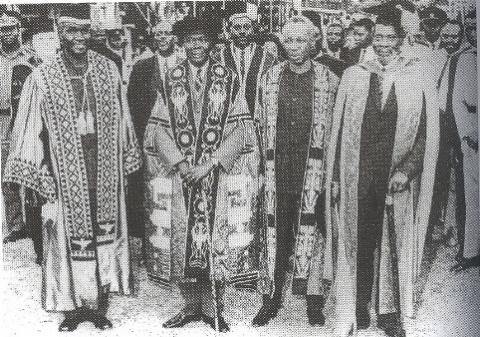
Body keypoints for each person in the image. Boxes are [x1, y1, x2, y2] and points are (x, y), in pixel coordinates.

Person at [3, 5, 142, 331]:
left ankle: (96, 305)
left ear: (91, 32)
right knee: (64, 243)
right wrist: (37, 177)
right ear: (59, 32)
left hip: (104, 173)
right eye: (71, 31)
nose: (79, 37)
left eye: (84, 30)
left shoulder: (108, 69)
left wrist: (126, 159)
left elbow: (123, 120)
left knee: (101, 237)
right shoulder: (42, 77)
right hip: (63, 177)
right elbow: (29, 129)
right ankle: (72, 308)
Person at [325, 9, 439, 337]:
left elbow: (425, 134)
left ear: (402, 41)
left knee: (393, 245)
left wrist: (408, 169)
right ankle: (355, 310)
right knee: (357, 241)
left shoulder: (417, 76)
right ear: (372, 40)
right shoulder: (355, 74)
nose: (385, 44)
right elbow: (338, 132)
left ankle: (390, 314)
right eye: (380, 38)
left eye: (392, 38)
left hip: (396, 178)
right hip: (358, 176)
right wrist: (335, 178)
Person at [143, 17, 258, 332]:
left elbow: (240, 131)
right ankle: (190, 306)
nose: (196, 46)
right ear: (182, 43)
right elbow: (159, 129)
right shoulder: (171, 78)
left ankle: (211, 309)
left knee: (212, 240)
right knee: (182, 240)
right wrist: (180, 164)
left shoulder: (228, 78)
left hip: (214, 175)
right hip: (181, 176)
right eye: (190, 40)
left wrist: (211, 164)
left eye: (202, 40)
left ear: (211, 43)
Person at [252, 15, 339, 327]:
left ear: (313, 42)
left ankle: (314, 302)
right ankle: (270, 299)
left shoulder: (329, 79)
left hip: (313, 171)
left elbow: (339, 132)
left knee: (314, 236)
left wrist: (335, 176)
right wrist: (261, 169)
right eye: (289, 40)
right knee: (273, 236)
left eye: (301, 40)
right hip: (279, 170)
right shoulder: (271, 77)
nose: (295, 47)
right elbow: (260, 124)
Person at [126, 20, 183, 249]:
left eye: (167, 34)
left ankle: (178, 236)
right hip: (150, 138)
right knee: (153, 187)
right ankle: (153, 241)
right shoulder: (142, 67)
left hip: (181, 138)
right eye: (158, 34)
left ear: (174, 37)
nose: (162, 38)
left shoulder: (185, 63)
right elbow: (133, 106)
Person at [0, 10, 43, 263]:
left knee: (29, 171)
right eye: (2, 30)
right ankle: (16, 225)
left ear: (18, 31)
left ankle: (34, 222)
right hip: (2, 123)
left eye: (10, 30)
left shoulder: (31, 59)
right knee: (6, 175)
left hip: (26, 121)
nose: (6, 34)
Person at [431, 19, 465, 246]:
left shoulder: (465, 59)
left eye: (454, 36)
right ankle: (436, 223)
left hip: (456, 123)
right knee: (437, 174)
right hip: (438, 122)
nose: (450, 40)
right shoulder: (435, 57)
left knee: (456, 177)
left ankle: (454, 227)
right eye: (446, 35)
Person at [450, 10, 479, 273]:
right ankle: (471, 250)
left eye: (477, 27)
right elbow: (458, 102)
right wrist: (467, 134)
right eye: (470, 28)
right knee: (472, 194)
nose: (474, 33)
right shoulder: (464, 60)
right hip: (473, 137)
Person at [220, 12, 276, 122]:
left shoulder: (268, 59)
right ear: (230, 31)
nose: (242, 31)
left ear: (252, 29)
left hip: (259, 122)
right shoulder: (219, 58)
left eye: (246, 27)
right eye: (237, 27)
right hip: (228, 124)